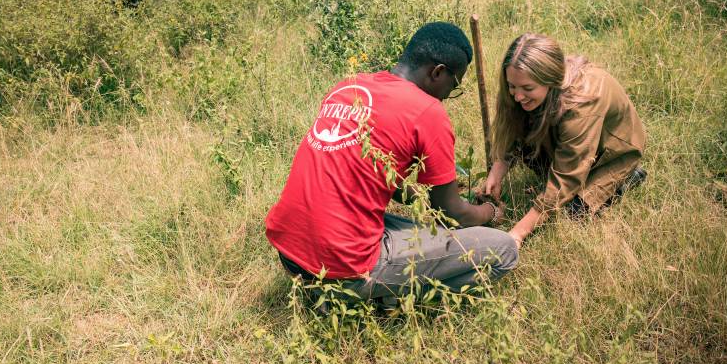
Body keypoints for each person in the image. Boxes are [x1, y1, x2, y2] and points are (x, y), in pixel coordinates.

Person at [266, 22, 518, 304]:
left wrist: (420, 194)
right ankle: (379, 301)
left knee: (422, 232)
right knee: (503, 249)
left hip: (290, 254)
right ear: (438, 72)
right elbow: (451, 213)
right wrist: (489, 211)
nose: (449, 96)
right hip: (341, 271)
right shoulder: (427, 111)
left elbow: (373, 174)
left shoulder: (351, 85)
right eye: (454, 85)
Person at [481, 33, 647, 248]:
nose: (518, 96)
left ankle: (628, 177)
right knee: (535, 156)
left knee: (573, 213)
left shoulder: (582, 104)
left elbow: (565, 178)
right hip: (574, 142)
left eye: (527, 89)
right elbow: (513, 128)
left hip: (612, 153)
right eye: (512, 86)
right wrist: (497, 171)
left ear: (550, 79)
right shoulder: (528, 86)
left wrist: (518, 233)